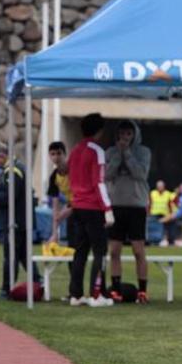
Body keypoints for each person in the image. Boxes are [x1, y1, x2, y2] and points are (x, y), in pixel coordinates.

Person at [68, 113, 114, 308]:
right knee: (99, 252)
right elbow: (99, 182)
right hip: (93, 207)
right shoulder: (96, 151)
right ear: (100, 130)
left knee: (80, 252)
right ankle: (96, 294)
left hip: (77, 206)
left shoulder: (75, 151)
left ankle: (76, 295)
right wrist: (108, 209)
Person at [105, 120, 152, 304]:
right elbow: (107, 175)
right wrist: (118, 155)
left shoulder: (143, 152)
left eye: (128, 134)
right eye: (122, 134)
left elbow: (141, 174)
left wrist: (127, 153)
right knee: (114, 250)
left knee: (138, 250)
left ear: (134, 135)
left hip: (136, 206)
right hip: (116, 205)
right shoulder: (110, 153)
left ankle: (142, 291)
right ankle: (115, 289)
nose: (124, 137)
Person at [0, 144, 40, 299]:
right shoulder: (15, 168)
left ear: (2, 156)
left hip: (15, 222)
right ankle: (38, 281)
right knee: (23, 255)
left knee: (11, 256)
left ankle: (6, 289)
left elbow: (8, 198)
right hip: (21, 221)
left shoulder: (12, 171)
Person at [46, 141, 73, 245]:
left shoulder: (74, 170)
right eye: (52, 154)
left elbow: (82, 195)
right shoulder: (53, 177)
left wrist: (67, 210)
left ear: (65, 154)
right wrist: (54, 234)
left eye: (59, 153)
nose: (56, 157)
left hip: (86, 206)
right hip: (73, 207)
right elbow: (55, 207)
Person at [149, 180, 177, 245]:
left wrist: (171, 214)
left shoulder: (169, 194)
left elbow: (173, 205)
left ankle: (171, 241)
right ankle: (154, 241)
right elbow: (149, 204)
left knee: (172, 224)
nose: (160, 187)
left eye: (161, 186)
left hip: (166, 215)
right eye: (158, 186)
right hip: (154, 215)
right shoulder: (152, 193)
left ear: (164, 186)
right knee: (153, 228)